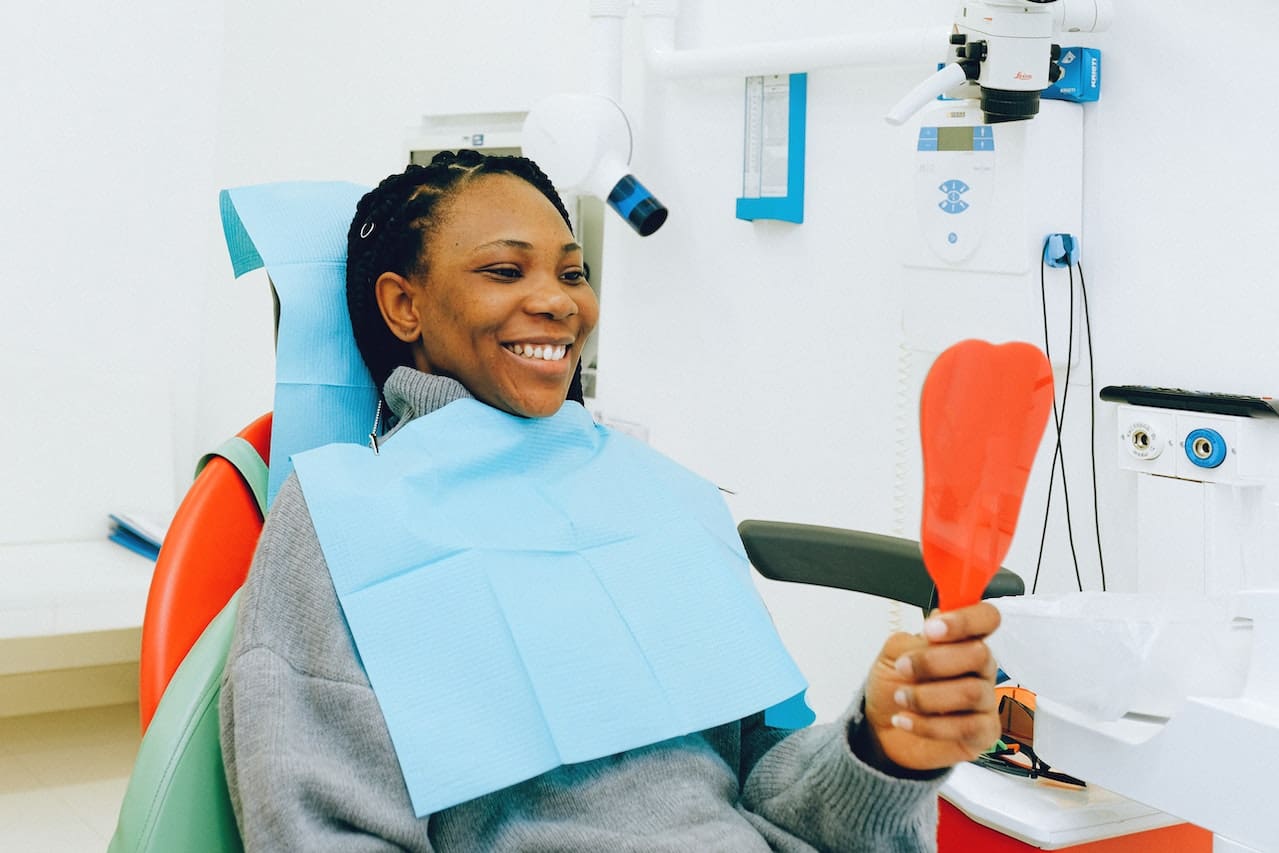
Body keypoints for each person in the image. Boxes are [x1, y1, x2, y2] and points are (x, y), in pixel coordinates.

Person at [220, 149, 1002, 852]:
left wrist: (881, 746)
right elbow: (317, 826)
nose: (559, 302)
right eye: (504, 270)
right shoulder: (343, 516)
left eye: (571, 272)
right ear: (404, 306)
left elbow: (772, 786)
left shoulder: (659, 494)